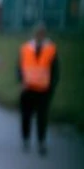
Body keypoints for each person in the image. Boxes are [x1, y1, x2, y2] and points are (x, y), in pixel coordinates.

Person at [17, 23, 59, 156]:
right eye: (37, 33)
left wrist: (51, 87)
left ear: (44, 34)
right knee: (26, 116)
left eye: (41, 33)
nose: (39, 36)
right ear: (34, 34)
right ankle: (26, 139)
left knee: (42, 117)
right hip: (27, 88)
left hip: (43, 90)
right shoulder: (26, 48)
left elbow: (55, 70)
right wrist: (20, 81)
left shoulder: (51, 49)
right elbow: (19, 67)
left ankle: (41, 142)